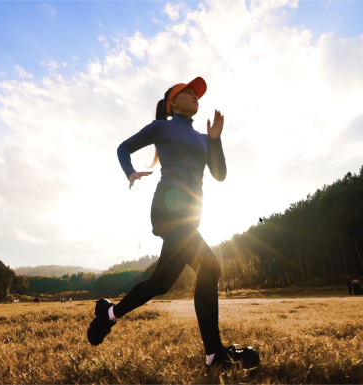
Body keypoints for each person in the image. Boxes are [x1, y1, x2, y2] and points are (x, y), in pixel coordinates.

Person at [86, 77, 259, 370]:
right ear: (172, 102)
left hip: (189, 213)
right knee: (211, 267)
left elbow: (219, 174)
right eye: (187, 92)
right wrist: (129, 172)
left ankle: (109, 313)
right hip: (169, 206)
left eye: (196, 93)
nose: (194, 96)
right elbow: (123, 148)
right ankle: (215, 354)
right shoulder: (161, 127)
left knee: (161, 283)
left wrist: (215, 139)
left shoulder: (205, 138)